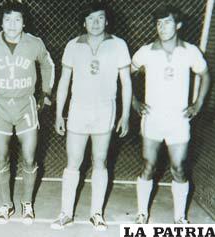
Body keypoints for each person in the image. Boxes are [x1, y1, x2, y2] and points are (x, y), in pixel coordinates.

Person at [0, 0, 54, 225]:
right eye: (8, 20)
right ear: (1, 22)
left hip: (26, 105)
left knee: (29, 156)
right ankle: (6, 204)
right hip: (1, 106)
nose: (12, 24)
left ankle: (27, 203)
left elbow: (48, 65)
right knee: (1, 156)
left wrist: (45, 92)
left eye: (17, 19)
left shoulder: (34, 43)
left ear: (24, 22)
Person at [51, 1, 132, 231]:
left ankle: (96, 213)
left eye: (100, 18)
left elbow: (126, 83)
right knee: (73, 162)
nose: (95, 23)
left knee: (100, 160)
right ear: (83, 22)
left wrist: (125, 115)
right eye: (90, 19)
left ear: (106, 20)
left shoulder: (118, 45)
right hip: (78, 111)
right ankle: (66, 213)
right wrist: (59, 114)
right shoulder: (73, 45)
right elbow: (64, 81)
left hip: (105, 111)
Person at [131, 4, 210, 224]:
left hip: (178, 120)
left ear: (178, 25)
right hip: (153, 119)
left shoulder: (190, 51)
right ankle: (141, 214)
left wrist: (198, 104)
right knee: (148, 165)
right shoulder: (146, 51)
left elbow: (205, 75)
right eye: (158, 23)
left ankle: (180, 217)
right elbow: (125, 75)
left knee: (178, 168)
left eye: (167, 22)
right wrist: (134, 102)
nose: (162, 27)